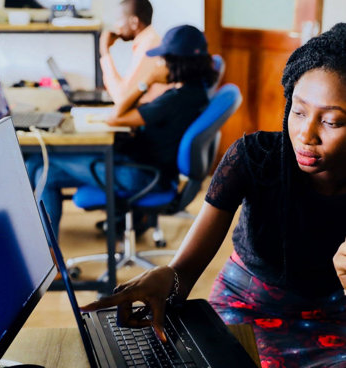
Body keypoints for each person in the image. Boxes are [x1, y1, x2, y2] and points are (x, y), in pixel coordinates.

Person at [81, 23, 346, 367]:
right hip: (248, 303)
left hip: (334, 314)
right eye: (298, 111)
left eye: (332, 121)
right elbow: (184, 271)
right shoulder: (253, 158)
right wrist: (169, 277)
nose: (306, 134)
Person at [26, 25, 218, 239]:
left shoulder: (175, 100)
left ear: (177, 62)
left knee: (42, 168)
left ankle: (47, 253)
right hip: (147, 168)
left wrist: (146, 82)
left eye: (162, 59)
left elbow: (116, 117)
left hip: (140, 175)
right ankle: (46, 249)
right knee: (37, 165)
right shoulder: (194, 93)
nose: (158, 63)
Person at [100, 0, 171, 115]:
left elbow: (121, 98)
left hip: (151, 121)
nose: (116, 26)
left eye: (119, 20)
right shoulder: (149, 40)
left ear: (134, 22)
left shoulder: (148, 47)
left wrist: (104, 52)